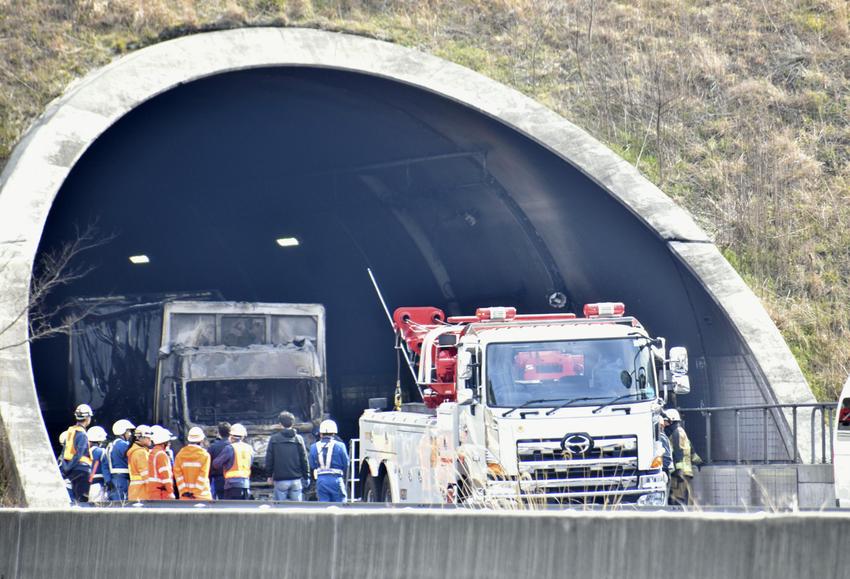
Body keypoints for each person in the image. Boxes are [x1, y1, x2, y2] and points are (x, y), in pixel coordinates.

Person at [265, 411, 309, 501]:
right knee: (297, 508)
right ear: (293, 423)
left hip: (280, 480)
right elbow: (304, 459)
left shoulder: (274, 439)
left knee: (280, 508)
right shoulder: (298, 439)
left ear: (280, 424)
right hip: (296, 479)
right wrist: (306, 476)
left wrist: (269, 476)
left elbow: (269, 459)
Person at [664, 409, 703, 506]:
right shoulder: (681, 431)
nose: (664, 424)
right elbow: (691, 449)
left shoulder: (676, 433)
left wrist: (679, 471)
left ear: (671, 421)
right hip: (685, 472)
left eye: (665, 421)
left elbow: (678, 451)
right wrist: (698, 461)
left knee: (677, 498)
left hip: (680, 474)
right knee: (682, 496)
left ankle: (679, 518)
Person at [60, 404, 95, 503]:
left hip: (72, 471)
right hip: (81, 471)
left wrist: (66, 467)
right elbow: (79, 454)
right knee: (82, 500)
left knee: (74, 499)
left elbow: (64, 452)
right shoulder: (82, 434)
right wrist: (69, 467)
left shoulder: (71, 432)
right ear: (87, 418)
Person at [309, 419, 349, 503]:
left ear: (320, 434)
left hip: (321, 480)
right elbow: (346, 463)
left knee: (323, 506)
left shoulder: (313, 447)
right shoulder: (340, 446)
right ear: (334, 433)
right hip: (336, 478)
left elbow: (312, 465)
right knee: (341, 505)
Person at [212, 423, 253, 500]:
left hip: (232, 485)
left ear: (231, 436)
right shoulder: (249, 448)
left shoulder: (230, 448)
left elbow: (216, 464)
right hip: (245, 484)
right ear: (243, 437)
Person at [174, 427, 212, 500]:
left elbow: (178, 476)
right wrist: (195, 493)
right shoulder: (205, 455)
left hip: (185, 497)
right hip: (202, 497)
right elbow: (203, 476)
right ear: (201, 440)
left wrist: (184, 491)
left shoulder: (180, 455)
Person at [105, 419, 135, 500]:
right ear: (122, 432)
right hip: (123, 480)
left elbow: (105, 465)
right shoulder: (124, 445)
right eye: (128, 431)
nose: (130, 434)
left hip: (113, 480)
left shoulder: (109, 446)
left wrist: (108, 480)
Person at [147, 426, 175, 500]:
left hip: (153, 492)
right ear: (164, 443)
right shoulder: (161, 455)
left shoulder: (153, 453)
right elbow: (165, 475)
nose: (169, 444)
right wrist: (170, 492)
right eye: (168, 442)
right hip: (161, 494)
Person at [127, 425, 153, 501]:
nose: (150, 440)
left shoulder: (134, 451)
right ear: (141, 438)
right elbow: (146, 475)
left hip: (134, 491)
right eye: (148, 437)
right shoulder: (141, 453)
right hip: (142, 491)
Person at [208, 422, 231, 499]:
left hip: (219, 480)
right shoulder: (234, 446)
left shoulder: (213, 447)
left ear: (219, 433)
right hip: (233, 480)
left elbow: (209, 465)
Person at [86, 426, 109, 503]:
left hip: (85, 485)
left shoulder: (83, 452)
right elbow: (105, 468)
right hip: (98, 485)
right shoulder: (101, 451)